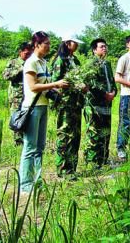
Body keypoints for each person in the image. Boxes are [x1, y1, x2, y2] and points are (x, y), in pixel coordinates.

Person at [19, 31, 68, 194]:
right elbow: (33, 86)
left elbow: (46, 87)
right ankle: (25, 184)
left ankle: (37, 180)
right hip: (32, 108)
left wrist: (57, 90)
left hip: (43, 106)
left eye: (49, 43)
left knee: (40, 147)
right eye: (45, 43)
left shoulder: (43, 63)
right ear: (36, 45)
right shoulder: (31, 62)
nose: (48, 46)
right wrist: (56, 83)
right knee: (30, 146)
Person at [50, 36, 84, 178]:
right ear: (67, 43)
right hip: (65, 103)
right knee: (64, 135)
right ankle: (62, 169)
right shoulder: (60, 60)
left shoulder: (75, 60)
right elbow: (55, 83)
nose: (76, 45)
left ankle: (72, 168)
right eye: (74, 42)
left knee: (75, 135)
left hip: (76, 103)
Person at [84, 38, 117, 168]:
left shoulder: (107, 63)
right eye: (101, 47)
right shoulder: (91, 64)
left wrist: (113, 92)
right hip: (94, 103)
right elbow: (91, 84)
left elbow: (112, 80)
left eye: (105, 46)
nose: (104, 48)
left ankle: (103, 159)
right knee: (94, 132)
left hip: (107, 103)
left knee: (105, 131)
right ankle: (92, 161)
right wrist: (105, 94)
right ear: (94, 50)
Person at [2, 42, 33, 145]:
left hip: (29, 96)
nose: (28, 56)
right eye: (26, 54)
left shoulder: (33, 62)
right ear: (20, 52)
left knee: (29, 118)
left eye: (30, 54)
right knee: (17, 118)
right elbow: (5, 76)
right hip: (16, 97)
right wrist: (20, 70)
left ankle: (27, 140)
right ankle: (18, 142)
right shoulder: (13, 62)